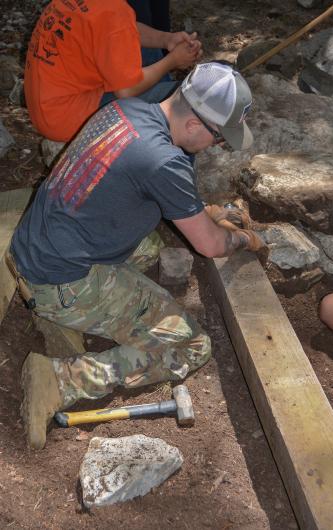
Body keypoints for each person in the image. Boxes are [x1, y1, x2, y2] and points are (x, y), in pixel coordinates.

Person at [11, 61, 264, 450]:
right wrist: (244, 239)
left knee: (151, 247)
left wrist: (207, 214)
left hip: (35, 247)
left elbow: (147, 187)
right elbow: (211, 246)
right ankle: (61, 380)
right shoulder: (164, 161)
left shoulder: (126, 110)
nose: (219, 146)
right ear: (196, 125)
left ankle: (67, 316)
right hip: (61, 284)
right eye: (220, 139)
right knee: (192, 346)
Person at [24, 0, 201, 143]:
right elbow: (126, 91)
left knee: (147, 53)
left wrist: (166, 39)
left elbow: (125, 28)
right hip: (69, 120)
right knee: (178, 95)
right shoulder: (114, 11)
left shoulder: (106, 8)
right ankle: (167, 150)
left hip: (48, 108)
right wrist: (172, 61)